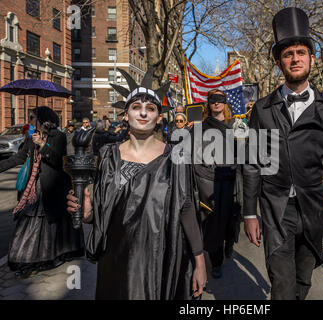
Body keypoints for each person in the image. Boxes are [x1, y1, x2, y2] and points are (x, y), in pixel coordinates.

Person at [243, 7, 323, 300]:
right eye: (288, 54)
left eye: (301, 52)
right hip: (275, 209)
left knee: (303, 280)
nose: (295, 58)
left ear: (311, 59)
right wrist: (249, 212)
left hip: (312, 209)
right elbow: (252, 164)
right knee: (282, 283)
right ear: (280, 62)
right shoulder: (262, 110)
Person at [66, 68, 206, 300]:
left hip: (159, 260)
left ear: (159, 117)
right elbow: (101, 212)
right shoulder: (108, 156)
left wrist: (199, 261)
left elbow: (187, 207)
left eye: (150, 109)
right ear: (125, 115)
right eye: (136, 107)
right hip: (116, 260)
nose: (143, 114)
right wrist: (88, 211)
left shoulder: (177, 157)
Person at [0, 106, 84, 278]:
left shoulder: (58, 137)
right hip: (34, 187)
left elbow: (57, 160)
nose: (30, 121)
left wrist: (42, 145)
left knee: (52, 224)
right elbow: (19, 157)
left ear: (42, 120)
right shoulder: (31, 137)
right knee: (28, 222)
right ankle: (26, 258)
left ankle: (50, 256)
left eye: (32, 118)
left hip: (54, 187)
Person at [193, 89, 241, 279]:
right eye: (213, 99)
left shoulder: (234, 127)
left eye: (220, 99)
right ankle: (216, 261)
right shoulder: (200, 128)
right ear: (208, 103)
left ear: (225, 103)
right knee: (213, 223)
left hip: (232, 179)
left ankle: (230, 241)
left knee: (230, 220)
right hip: (210, 182)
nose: (216, 102)